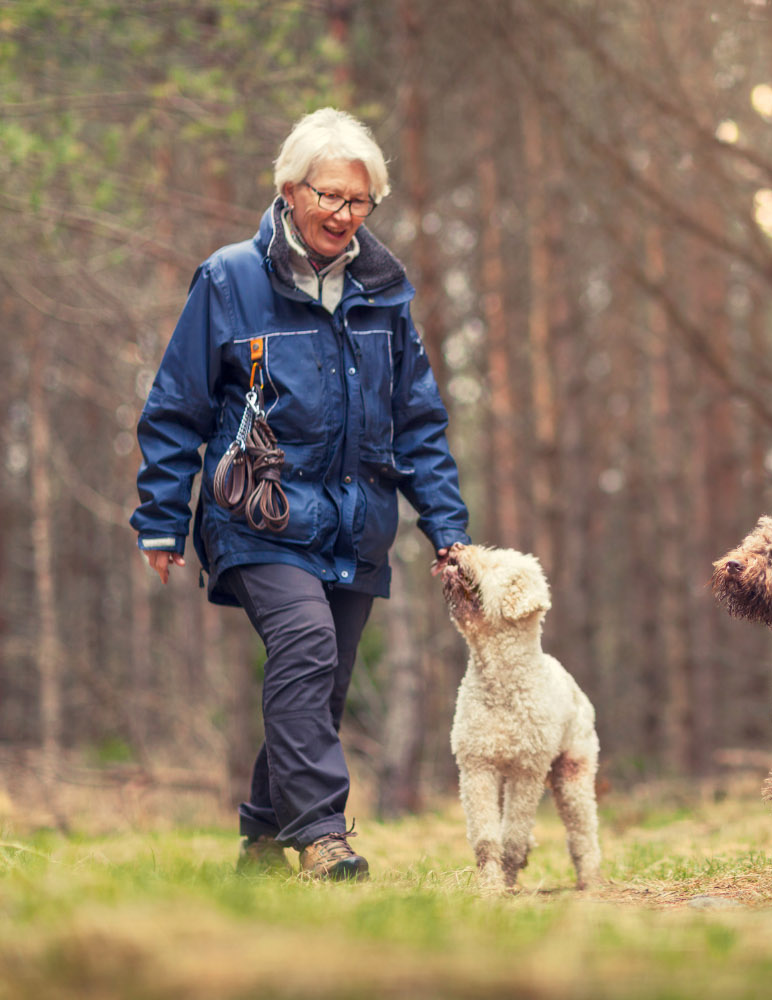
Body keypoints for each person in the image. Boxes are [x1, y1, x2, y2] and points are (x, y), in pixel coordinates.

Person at [131, 108, 471, 880]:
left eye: (360, 203)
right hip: (258, 515)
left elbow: (417, 420)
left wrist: (447, 528)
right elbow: (176, 406)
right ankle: (321, 836)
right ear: (290, 192)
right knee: (307, 650)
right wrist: (160, 521)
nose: (344, 217)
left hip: (355, 525)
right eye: (330, 198)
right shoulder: (230, 280)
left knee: (318, 688)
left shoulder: (385, 292)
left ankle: (259, 839)